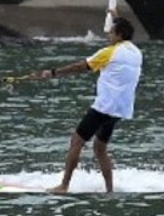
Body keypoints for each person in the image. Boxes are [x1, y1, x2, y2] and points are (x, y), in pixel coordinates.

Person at [33, 11, 142, 194]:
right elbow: (122, 37)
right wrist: (115, 18)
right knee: (100, 149)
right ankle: (109, 190)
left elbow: (80, 67)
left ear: (119, 35)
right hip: (120, 110)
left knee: (77, 141)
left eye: (111, 33)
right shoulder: (136, 53)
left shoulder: (109, 53)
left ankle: (64, 186)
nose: (108, 36)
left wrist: (52, 73)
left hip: (103, 107)